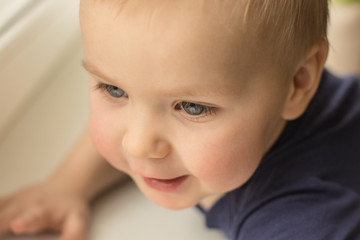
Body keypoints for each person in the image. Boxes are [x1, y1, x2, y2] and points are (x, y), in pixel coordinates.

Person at [1, 0, 360, 239]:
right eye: (114, 90)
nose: (137, 143)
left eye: (191, 108)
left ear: (298, 82)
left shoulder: (302, 214)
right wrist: (67, 184)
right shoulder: (262, 75)